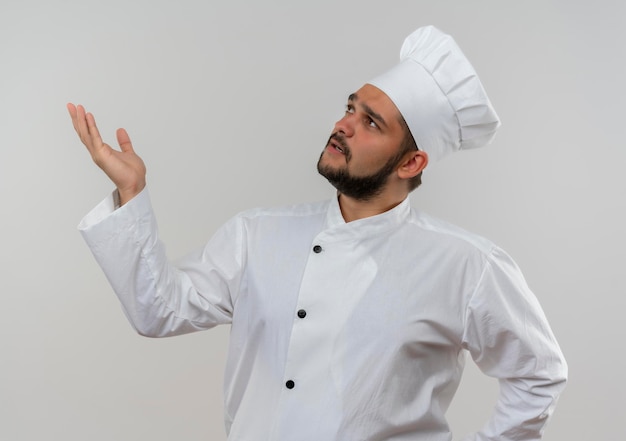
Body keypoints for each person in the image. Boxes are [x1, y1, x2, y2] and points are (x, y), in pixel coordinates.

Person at [68, 26, 567, 441]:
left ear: (412, 161)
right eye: (351, 108)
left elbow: (538, 373)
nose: (343, 125)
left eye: (371, 122)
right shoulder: (258, 235)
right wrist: (131, 189)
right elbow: (158, 310)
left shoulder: (467, 266)